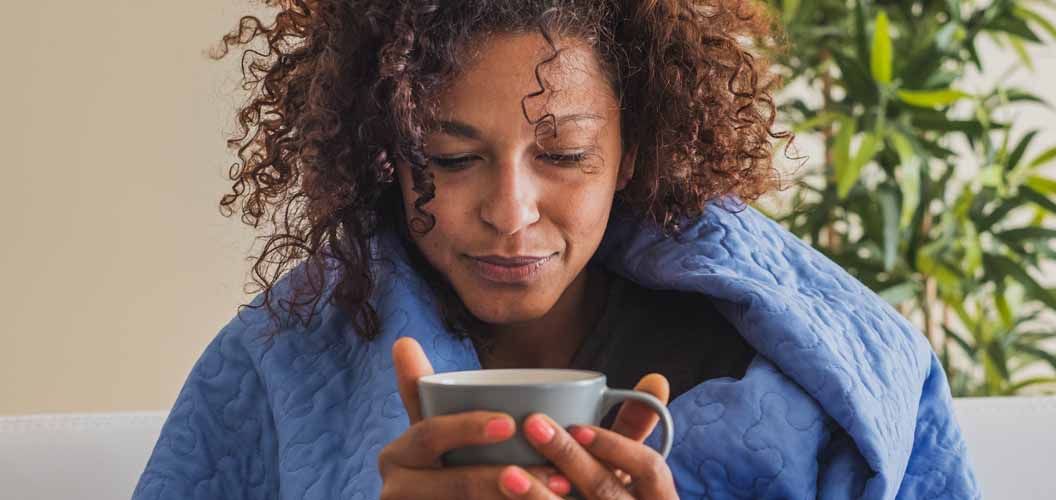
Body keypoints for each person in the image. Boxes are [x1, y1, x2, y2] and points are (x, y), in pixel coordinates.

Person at [133, 1, 979, 499]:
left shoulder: (784, 361)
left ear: (635, 150)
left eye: (565, 155)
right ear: (385, 152)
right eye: (451, 158)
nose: (510, 212)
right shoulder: (280, 359)